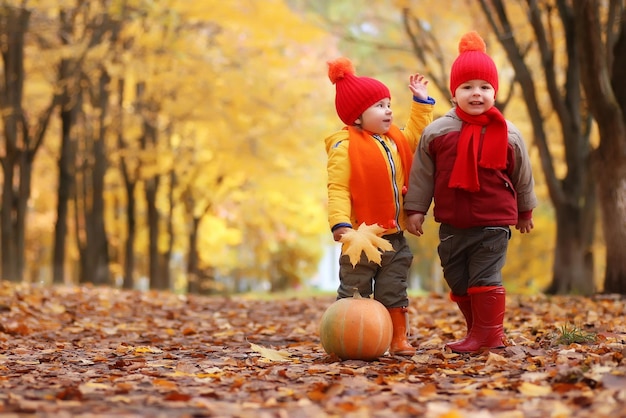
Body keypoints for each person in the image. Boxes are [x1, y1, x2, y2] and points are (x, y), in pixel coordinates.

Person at [404, 31, 537, 353]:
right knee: (459, 280)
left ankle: (489, 336)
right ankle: (478, 331)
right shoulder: (438, 131)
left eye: (484, 87)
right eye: (467, 87)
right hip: (452, 222)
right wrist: (416, 208)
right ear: (454, 94)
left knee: (485, 275)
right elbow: (423, 174)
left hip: (493, 221)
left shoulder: (508, 133)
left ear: (495, 92)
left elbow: (522, 175)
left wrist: (525, 210)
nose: (476, 94)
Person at [325, 57, 435, 356]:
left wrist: (421, 104)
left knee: (394, 289)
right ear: (357, 116)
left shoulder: (394, 139)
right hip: (360, 237)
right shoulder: (344, 147)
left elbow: (415, 136)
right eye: (379, 105)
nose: (388, 110)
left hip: (394, 236)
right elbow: (338, 189)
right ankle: (348, 337)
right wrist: (341, 224)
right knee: (355, 290)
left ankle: (397, 338)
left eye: (389, 104)